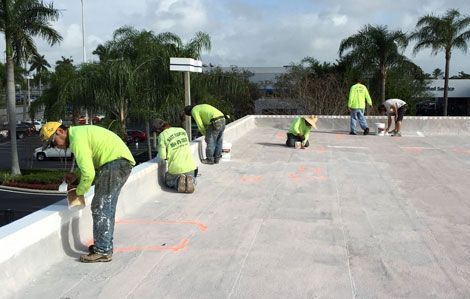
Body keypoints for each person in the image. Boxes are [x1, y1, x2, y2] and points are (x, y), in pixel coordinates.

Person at [39, 122, 135, 263]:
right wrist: (77, 176)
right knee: (106, 207)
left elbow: (89, 174)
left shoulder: (77, 139)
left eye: (53, 142)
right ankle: (104, 246)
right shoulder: (78, 134)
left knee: (100, 207)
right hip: (117, 163)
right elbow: (88, 167)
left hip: (114, 164)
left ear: (60, 131)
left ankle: (102, 250)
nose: (56, 146)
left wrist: (78, 192)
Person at [152, 119, 198, 193]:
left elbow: (162, 156)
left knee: (168, 180)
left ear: (157, 130)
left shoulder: (162, 135)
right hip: (190, 166)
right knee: (192, 177)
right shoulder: (182, 130)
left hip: (176, 168)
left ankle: (177, 181)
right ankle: (191, 181)